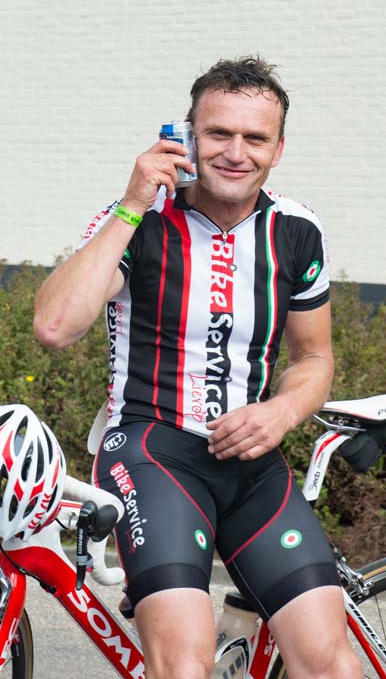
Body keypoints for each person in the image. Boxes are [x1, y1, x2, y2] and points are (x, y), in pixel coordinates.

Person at [33, 57, 362, 679]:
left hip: (252, 468)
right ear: (188, 135)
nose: (236, 153)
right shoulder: (140, 220)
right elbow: (54, 326)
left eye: (255, 138)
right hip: (152, 454)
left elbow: (313, 358)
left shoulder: (296, 230)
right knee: (184, 667)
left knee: (329, 666)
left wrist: (282, 411)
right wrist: (132, 203)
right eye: (219, 134)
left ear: (278, 149)